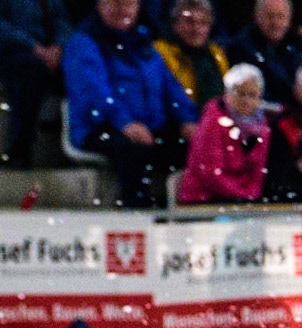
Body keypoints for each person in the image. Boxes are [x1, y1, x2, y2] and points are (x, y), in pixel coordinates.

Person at [65, 0, 199, 207]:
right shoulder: (84, 43)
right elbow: (95, 93)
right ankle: (138, 215)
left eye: (128, 3)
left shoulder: (145, 46)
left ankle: (190, 210)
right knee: (134, 152)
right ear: (99, 5)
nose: (122, 8)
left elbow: (171, 89)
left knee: (195, 146)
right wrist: (124, 123)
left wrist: (186, 120)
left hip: (148, 128)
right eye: (115, 2)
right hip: (101, 127)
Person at [0, 0, 71, 167]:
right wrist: (33, 48)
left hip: (47, 55)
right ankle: (20, 147)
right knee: (30, 69)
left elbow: (62, 20)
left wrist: (58, 47)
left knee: (81, 65)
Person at [178, 62, 271, 202]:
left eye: (252, 95)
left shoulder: (262, 128)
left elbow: (257, 174)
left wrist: (249, 196)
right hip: (204, 199)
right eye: (240, 93)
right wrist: (242, 196)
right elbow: (211, 174)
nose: (246, 101)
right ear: (228, 94)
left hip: (241, 201)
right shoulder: (213, 121)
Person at [226, 0, 302, 102]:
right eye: (269, 16)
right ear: (257, 17)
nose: (275, 23)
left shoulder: (299, 45)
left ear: (289, 19)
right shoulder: (241, 47)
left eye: (281, 17)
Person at [155, 0, 231, 112]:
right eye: (189, 21)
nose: (196, 29)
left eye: (203, 23)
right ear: (175, 23)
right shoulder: (160, 52)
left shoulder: (216, 53)